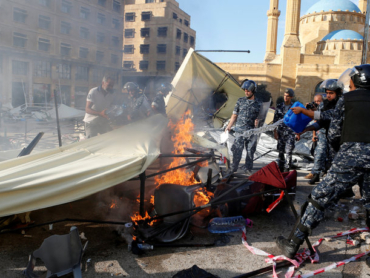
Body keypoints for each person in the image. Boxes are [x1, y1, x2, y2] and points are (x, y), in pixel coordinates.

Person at [276, 65, 370, 259]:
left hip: (350, 156)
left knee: (319, 198)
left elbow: (334, 132)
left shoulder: (346, 99)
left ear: (358, 81)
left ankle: (292, 244)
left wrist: (339, 149)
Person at [295, 80, 343, 184]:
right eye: (327, 93)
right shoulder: (324, 104)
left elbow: (323, 116)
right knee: (320, 153)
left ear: (338, 93)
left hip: (339, 141)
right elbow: (321, 123)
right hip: (326, 135)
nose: (328, 96)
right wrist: (305, 130)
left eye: (331, 93)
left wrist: (304, 111)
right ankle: (317, 174)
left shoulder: (341, 105)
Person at [226, 80, 262, 175]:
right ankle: (233, 169)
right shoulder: (240, 101)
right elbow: (234, 115)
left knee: (250, 151)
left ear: (253, 91)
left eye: (248, 91)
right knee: (237, 150)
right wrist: (229, 126)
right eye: (245, 90)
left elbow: (261, 118)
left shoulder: (258, 103)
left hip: (251, 132)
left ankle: (248, 169)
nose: (246, 92)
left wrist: (258, 122)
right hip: (240, 131)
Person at [273, 88, 296, 172]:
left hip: (290, 132)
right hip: (281, 132)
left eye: (288, 96)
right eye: (284, 96)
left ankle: (287, 168)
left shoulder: (294, 108)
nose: (285, 98)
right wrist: (275, 132)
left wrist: (297, 133)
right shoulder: (279, 106)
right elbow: (275, 120)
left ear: (291, 97)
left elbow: (297, 121)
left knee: (289, 151)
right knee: (281, 151)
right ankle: (281, 168)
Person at [304, 94, 325, 182]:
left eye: (318, 101)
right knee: (317, 153)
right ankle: (316, 173)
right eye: (315, 101)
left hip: (325, 134)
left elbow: (320, 119)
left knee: (321, 154)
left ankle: (317, 173)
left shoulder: (325, 108)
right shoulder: (317, 110)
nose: (317, 103)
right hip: (318, 134)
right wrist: (313, 135)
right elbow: (315, 123)